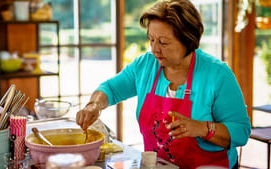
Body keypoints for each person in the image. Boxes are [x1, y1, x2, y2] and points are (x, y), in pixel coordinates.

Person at [76, 0, 251, 168]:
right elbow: (110, 89)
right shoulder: (146, 65)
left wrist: (202, 128)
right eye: (151, 39)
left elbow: (240, 131)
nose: (155, 49)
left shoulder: (217, 74)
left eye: (163, 42)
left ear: (188, 41)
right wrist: (94, 106)